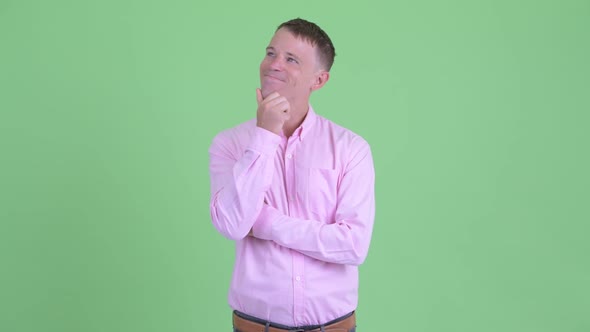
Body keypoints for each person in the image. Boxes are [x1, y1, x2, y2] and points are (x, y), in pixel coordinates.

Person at [209, 18, 375, 332]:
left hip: (334, 326)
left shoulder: (350, 148)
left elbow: (353, 245)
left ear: (319, 80)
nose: (274, 65)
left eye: (291, 60)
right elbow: (232, 224)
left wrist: (266, 223)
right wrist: (265, 135)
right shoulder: (229, 144)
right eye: (271, 53)